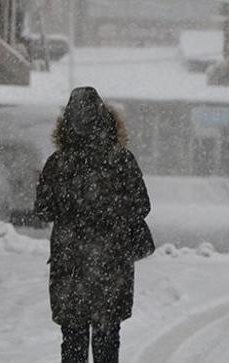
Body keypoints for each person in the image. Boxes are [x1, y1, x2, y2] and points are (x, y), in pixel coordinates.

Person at [35, 87, 151, 363]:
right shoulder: (120, 159)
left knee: (73, 339)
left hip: (70, 265)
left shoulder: (58, 163)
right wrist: (111, 214)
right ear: (105, 119)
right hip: (111, 265)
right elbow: (142, 205)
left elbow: (42, 210)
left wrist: (72, 210)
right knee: (107, 336)